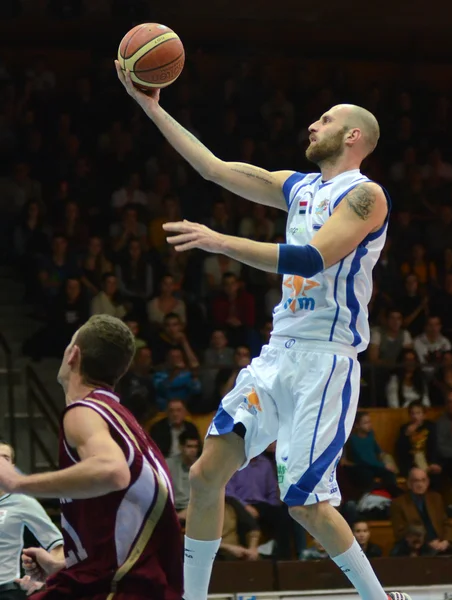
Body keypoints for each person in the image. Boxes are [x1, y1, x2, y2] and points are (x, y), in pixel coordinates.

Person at [116, 64, 410, 600]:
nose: (310, 126)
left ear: (353, 136)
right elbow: (212, 168)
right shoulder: (298, 188)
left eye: (324, 120)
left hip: (324, 360)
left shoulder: (366, 197)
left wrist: (219, 241)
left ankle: (379, 598)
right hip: (278, 354)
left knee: (305, 504)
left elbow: (312, 256)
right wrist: (151, 106)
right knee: (205, 477)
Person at [0, 315, 183, 600]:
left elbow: (113, 472)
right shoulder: (126, 424)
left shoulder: (83, 412)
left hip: (120, 588)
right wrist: (64, 564)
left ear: (73, 354)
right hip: (134, 584)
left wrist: (15, 482)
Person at [0, 441, 63, 600]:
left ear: (12, 466)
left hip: (7, 591)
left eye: (5, 458)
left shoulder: (22, 502)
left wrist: (45, 577)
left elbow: (58, 544)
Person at [390, 468, 452, 556]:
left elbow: (445, 522)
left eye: (423, 480)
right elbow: (400, 532)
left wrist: (446, 541)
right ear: (409, 483)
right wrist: (427, 542)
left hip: (440, 543)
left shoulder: (436, 498)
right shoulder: (398, 503)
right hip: (417, 545)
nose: (420, 484)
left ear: (428, 482)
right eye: (416, 481)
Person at [395, 401, 441, 481]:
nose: (415, 416)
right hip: (411, 462)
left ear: (424, 415)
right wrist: (406, 435)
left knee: (436, 473)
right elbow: (400, 450)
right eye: (413, 413)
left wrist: (434, 462)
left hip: (428, 460)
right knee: (417, 456)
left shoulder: (430, 426)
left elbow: (435, 446)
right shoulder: (404, 428)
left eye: (418, 413)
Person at [166, 432, 201, 523]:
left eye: (195, 447)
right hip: (172, 508)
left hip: (194, 509)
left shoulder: (202, 467)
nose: (193, 450)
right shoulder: (168, 464)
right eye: (189, 446)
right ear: (180, 447)